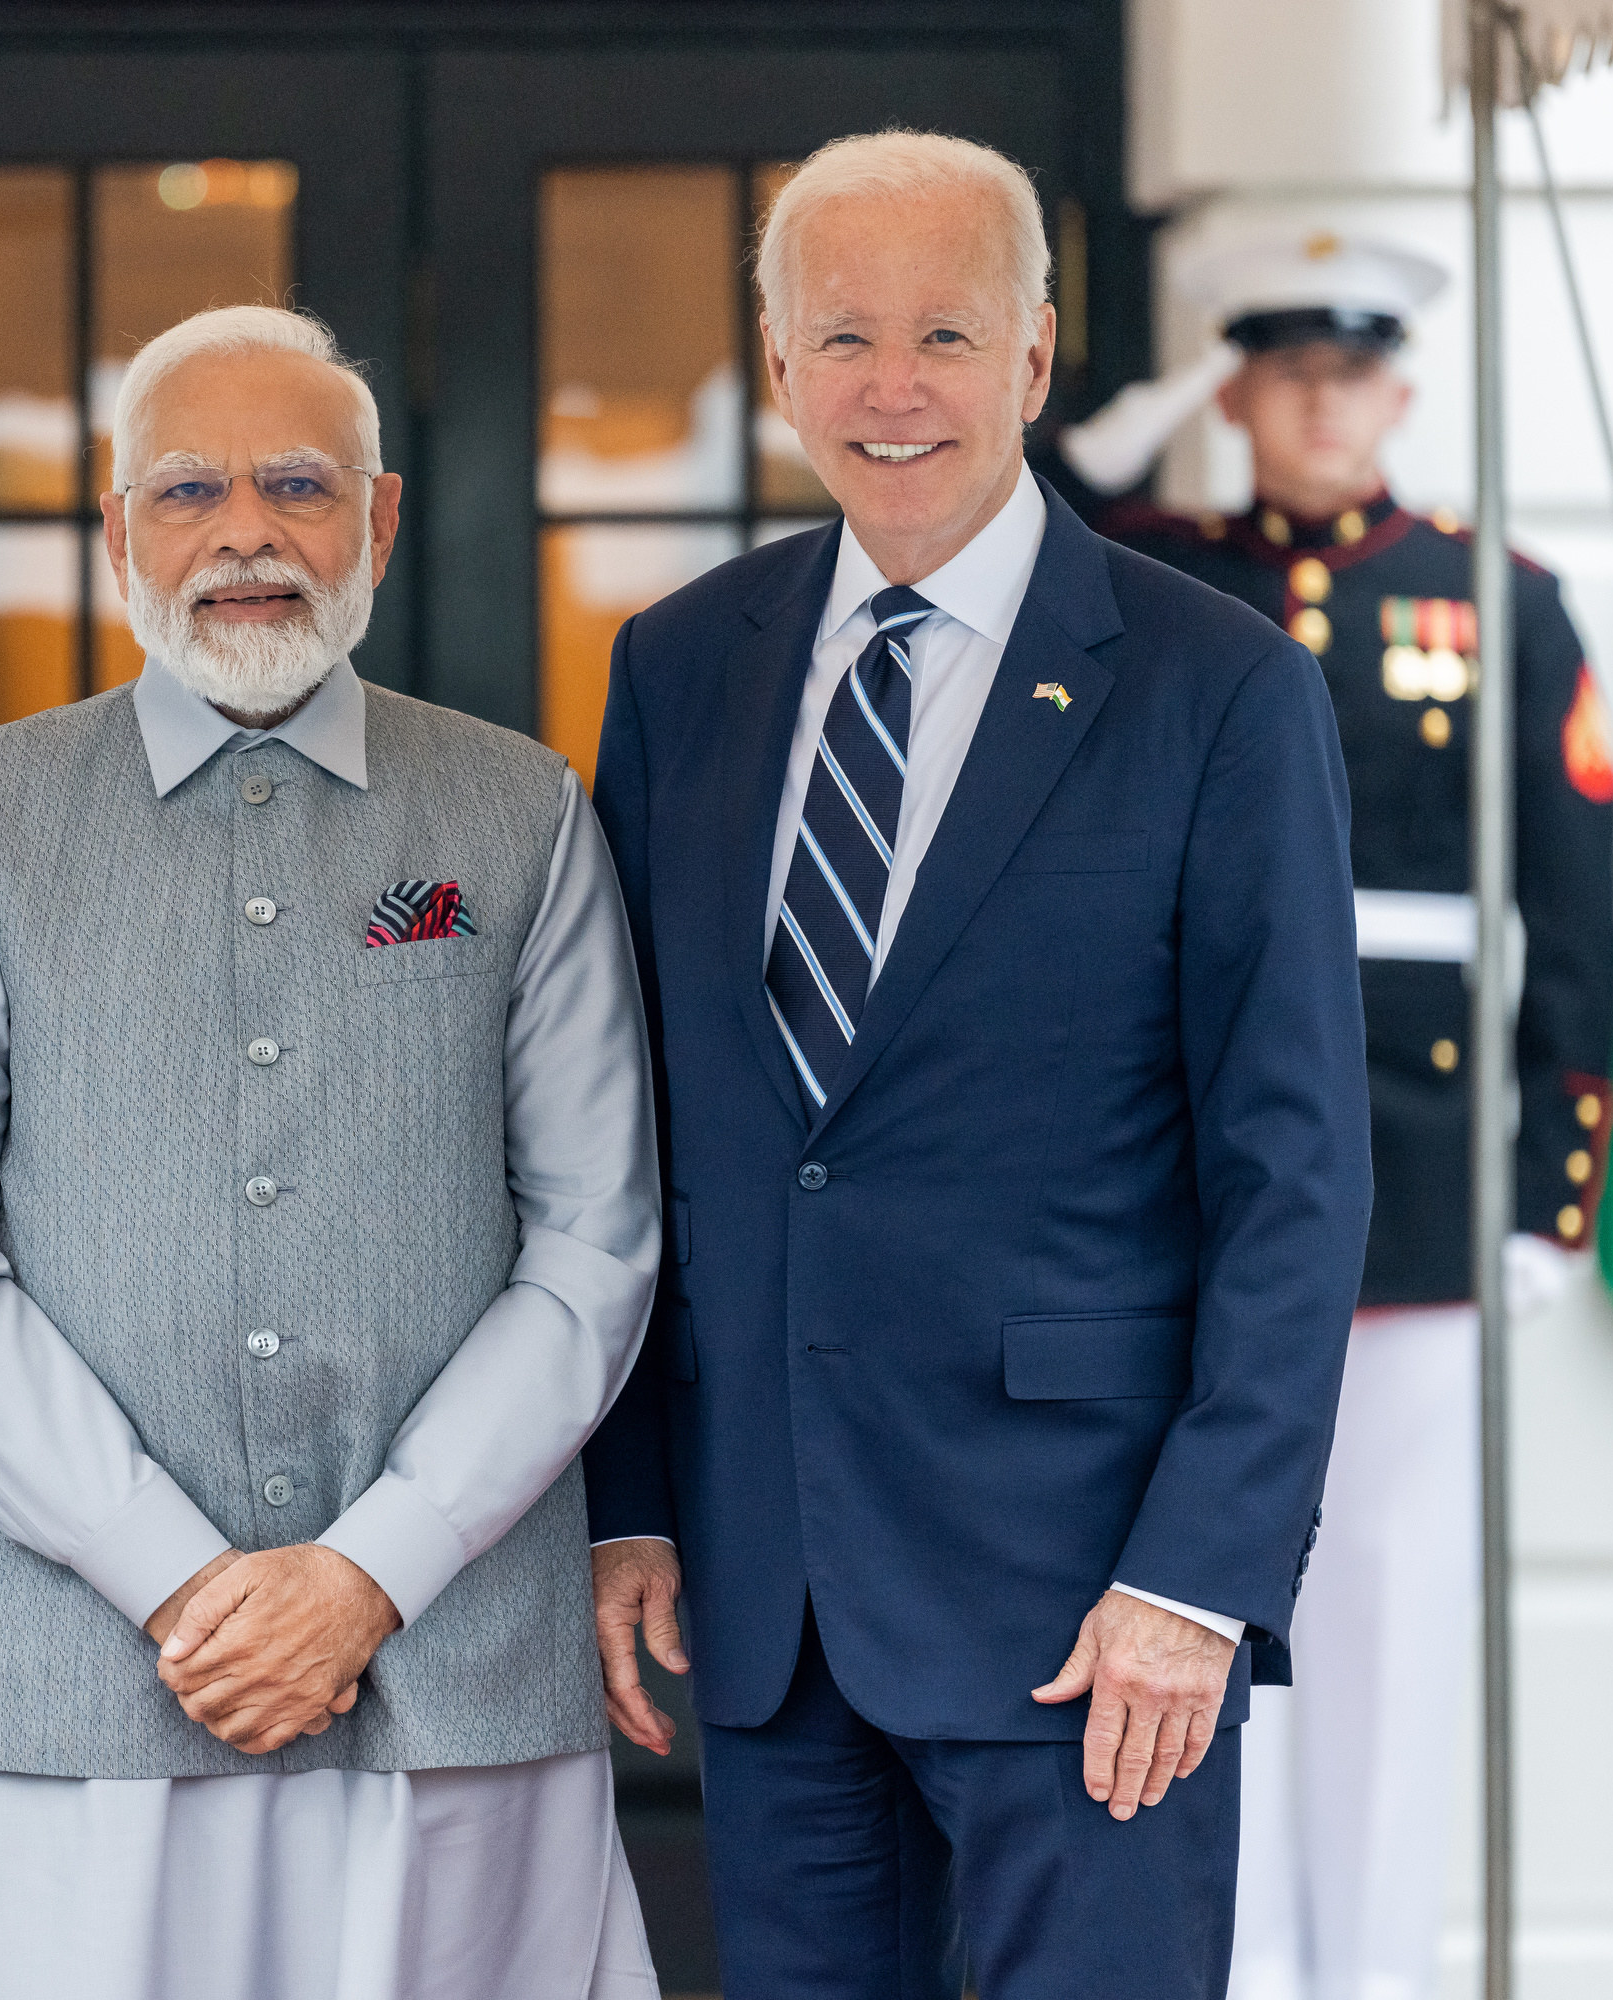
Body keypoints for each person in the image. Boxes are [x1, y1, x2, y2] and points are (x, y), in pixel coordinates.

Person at [581, 131, 1372, 1998]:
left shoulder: (1218, 685)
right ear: (776, 368)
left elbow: (1296, 1171)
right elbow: (632, 1129)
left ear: (1034, 360)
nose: (892, 387)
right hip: (768, 1605)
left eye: (947, 333)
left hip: (1094, 1615)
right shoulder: (680, 667)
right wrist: (626, 1497)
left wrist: (1201, 1581)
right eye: (841, 336)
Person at [0, 303, 663, 1999]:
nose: (244, 536)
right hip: (57, 1688)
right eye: (188, 490)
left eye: (298, 484)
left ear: (381, 516)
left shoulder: (523, 811)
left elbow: (595, 1245)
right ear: (116, 525)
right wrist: (178, 1580)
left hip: (447, 1670)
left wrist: (370, 1574)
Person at [1084, 232, 1613, 2000]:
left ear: (1397, 393)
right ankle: (1224, 1968)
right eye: (1284, 375)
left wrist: (1554, 1187)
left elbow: (1573, 906)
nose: (1322, 405)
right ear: (1236, 393)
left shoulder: (1503, 596)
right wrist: (1125, 422)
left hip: (1411, 1165)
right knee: (1191, 1604)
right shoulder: (1153, 572)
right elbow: (988, 517)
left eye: (1352, 375)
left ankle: (1376, 1973)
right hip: (1186, 1163)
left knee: (1384, 1627)